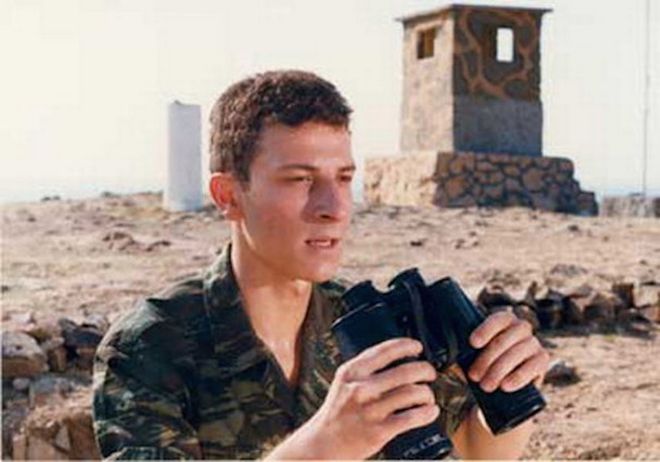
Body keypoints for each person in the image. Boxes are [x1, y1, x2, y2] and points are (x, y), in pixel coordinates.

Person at [92, 70, 550, 460]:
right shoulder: (150, 347)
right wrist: (324, 446)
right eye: (300, 179)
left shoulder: (367, 324)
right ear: (228, 196)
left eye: (344, 179)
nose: (334, 207)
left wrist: (509, 389)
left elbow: (470, 450)